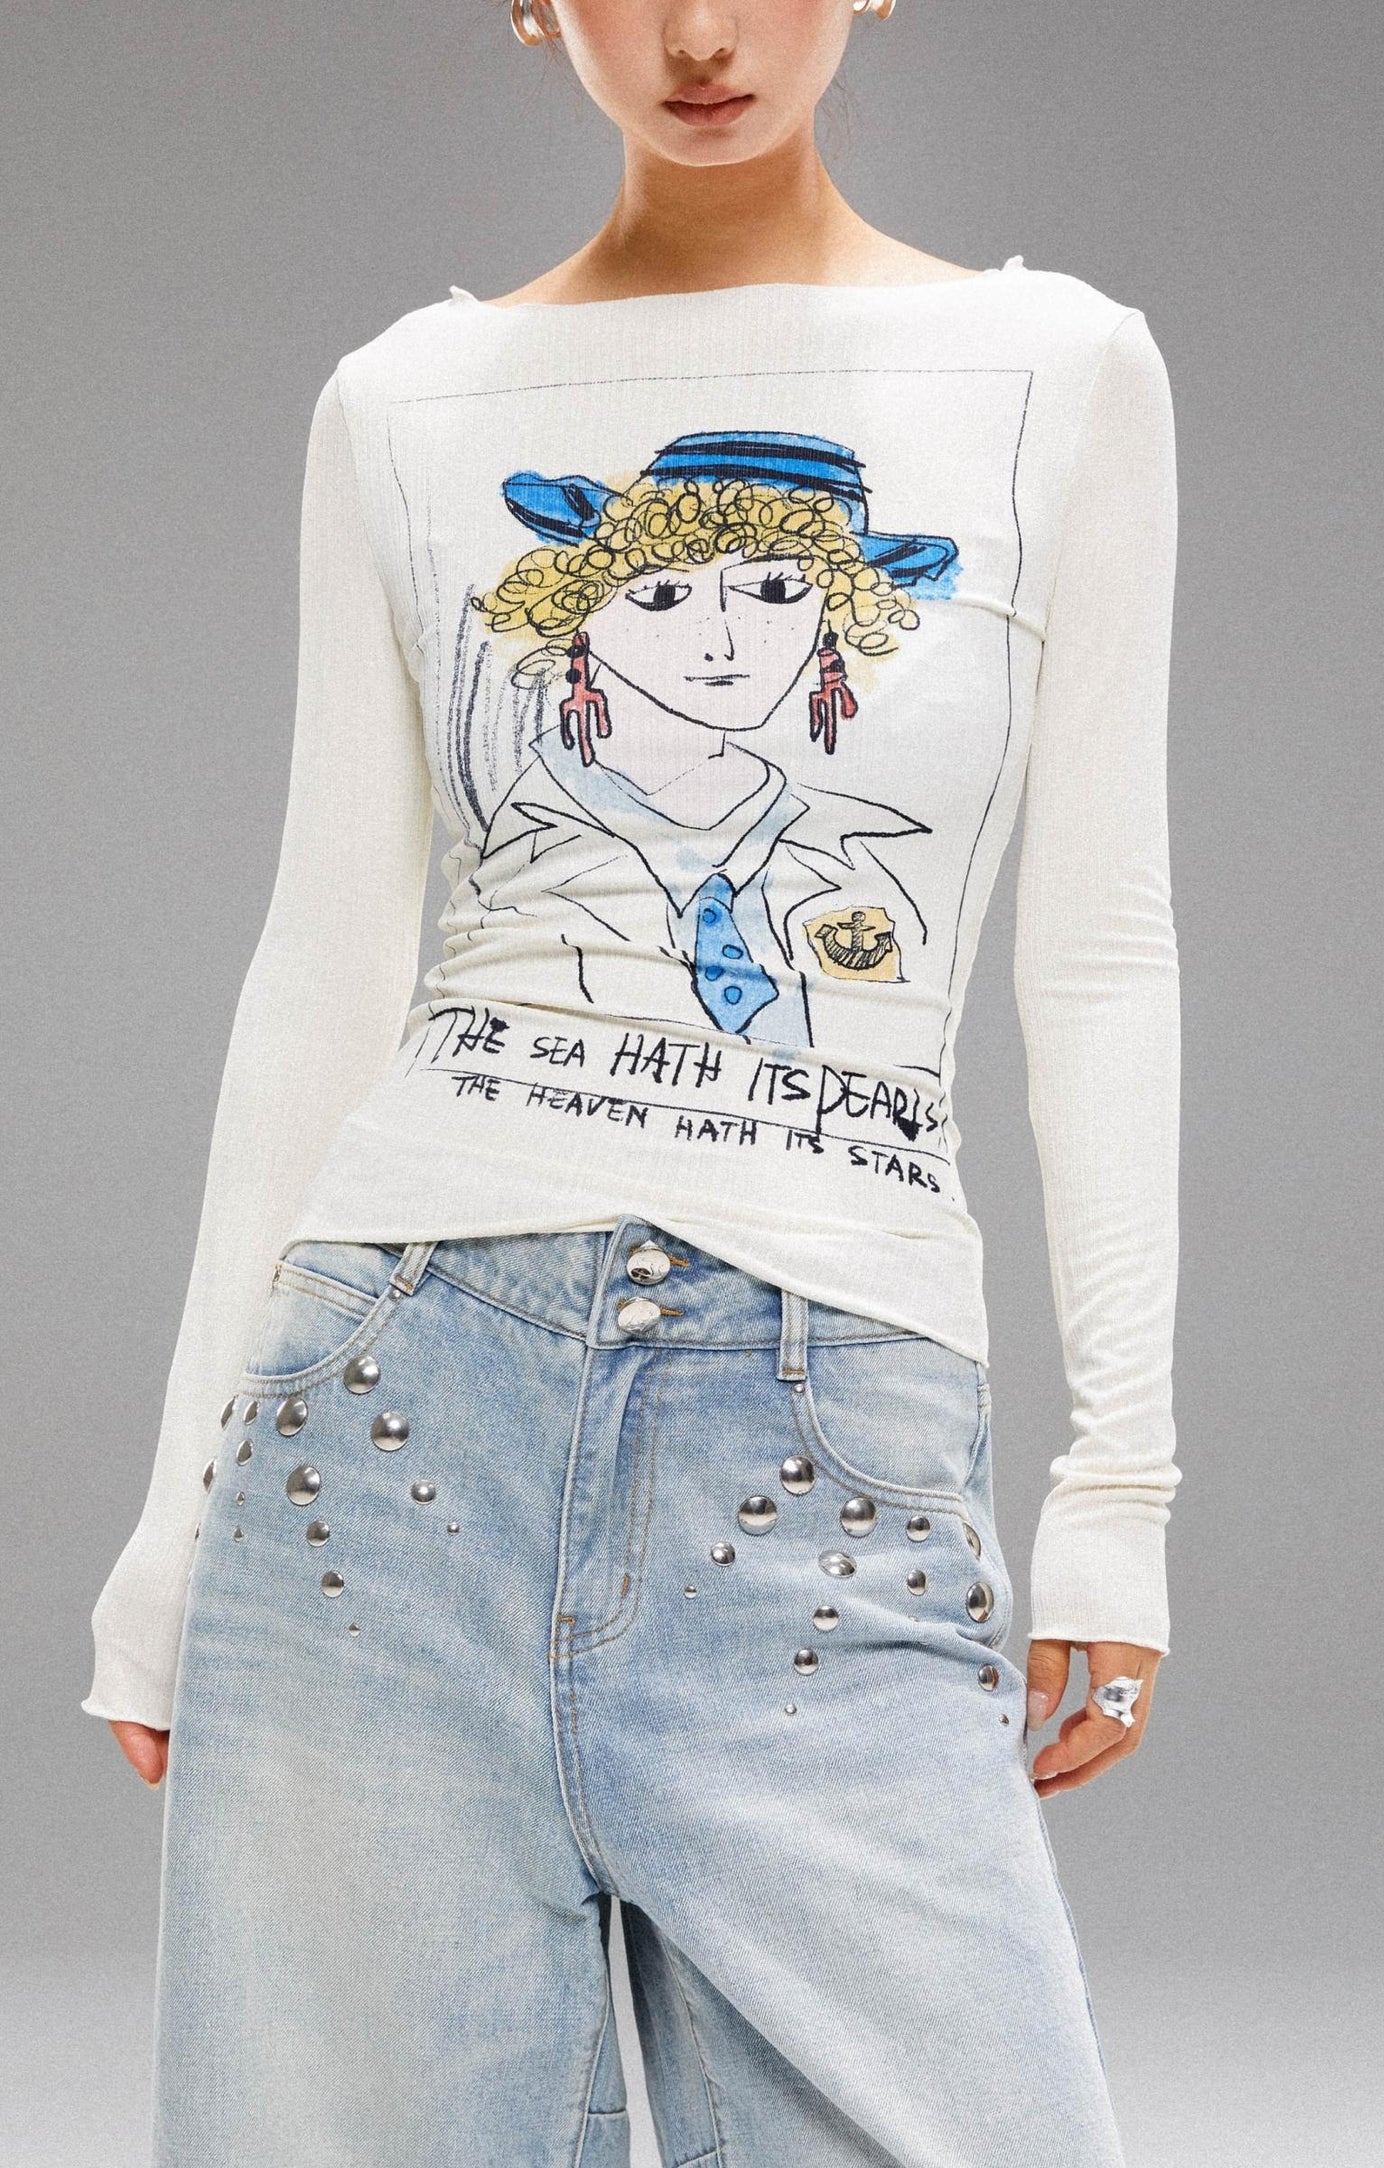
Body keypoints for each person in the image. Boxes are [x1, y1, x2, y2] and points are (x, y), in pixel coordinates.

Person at [83, 3, 1182, 2162]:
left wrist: (1118, 1494)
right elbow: (325, 967)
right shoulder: (403, 400)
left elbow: (1101, 954)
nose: (696, 31)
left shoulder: (1057, 370)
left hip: (820, 1433)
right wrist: (171, 1521)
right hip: (391, 1418)